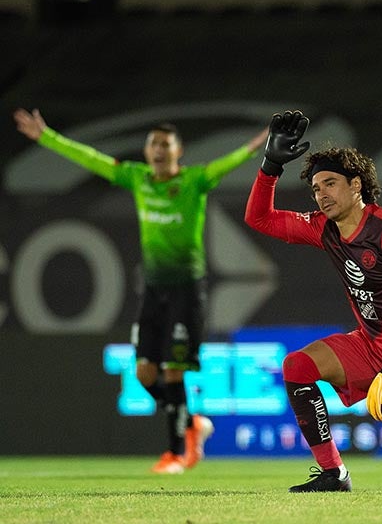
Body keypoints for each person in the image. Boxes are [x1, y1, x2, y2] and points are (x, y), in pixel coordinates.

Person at [13, 107, 266, 474]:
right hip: (153, 290)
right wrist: (47, 137)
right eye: (153, 144)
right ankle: (193, 423)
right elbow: (91, 159)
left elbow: (225, 164)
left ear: (179, 151)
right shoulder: (138, 178)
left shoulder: (194, 181)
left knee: (175, 371)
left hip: (186, 290)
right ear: (147, 152)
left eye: (165, 144)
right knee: (146, 375)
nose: (158, 149)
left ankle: (177, 454)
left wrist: (257, 147)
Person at [244, 110, 382, 493]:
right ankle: (334, 474)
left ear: (356, 185)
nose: (322, 194)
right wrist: (271, 166)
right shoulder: (323, 228)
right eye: (315, 189)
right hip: (370, 346)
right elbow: (260, 218)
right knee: (298, 366)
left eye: (330, 184)